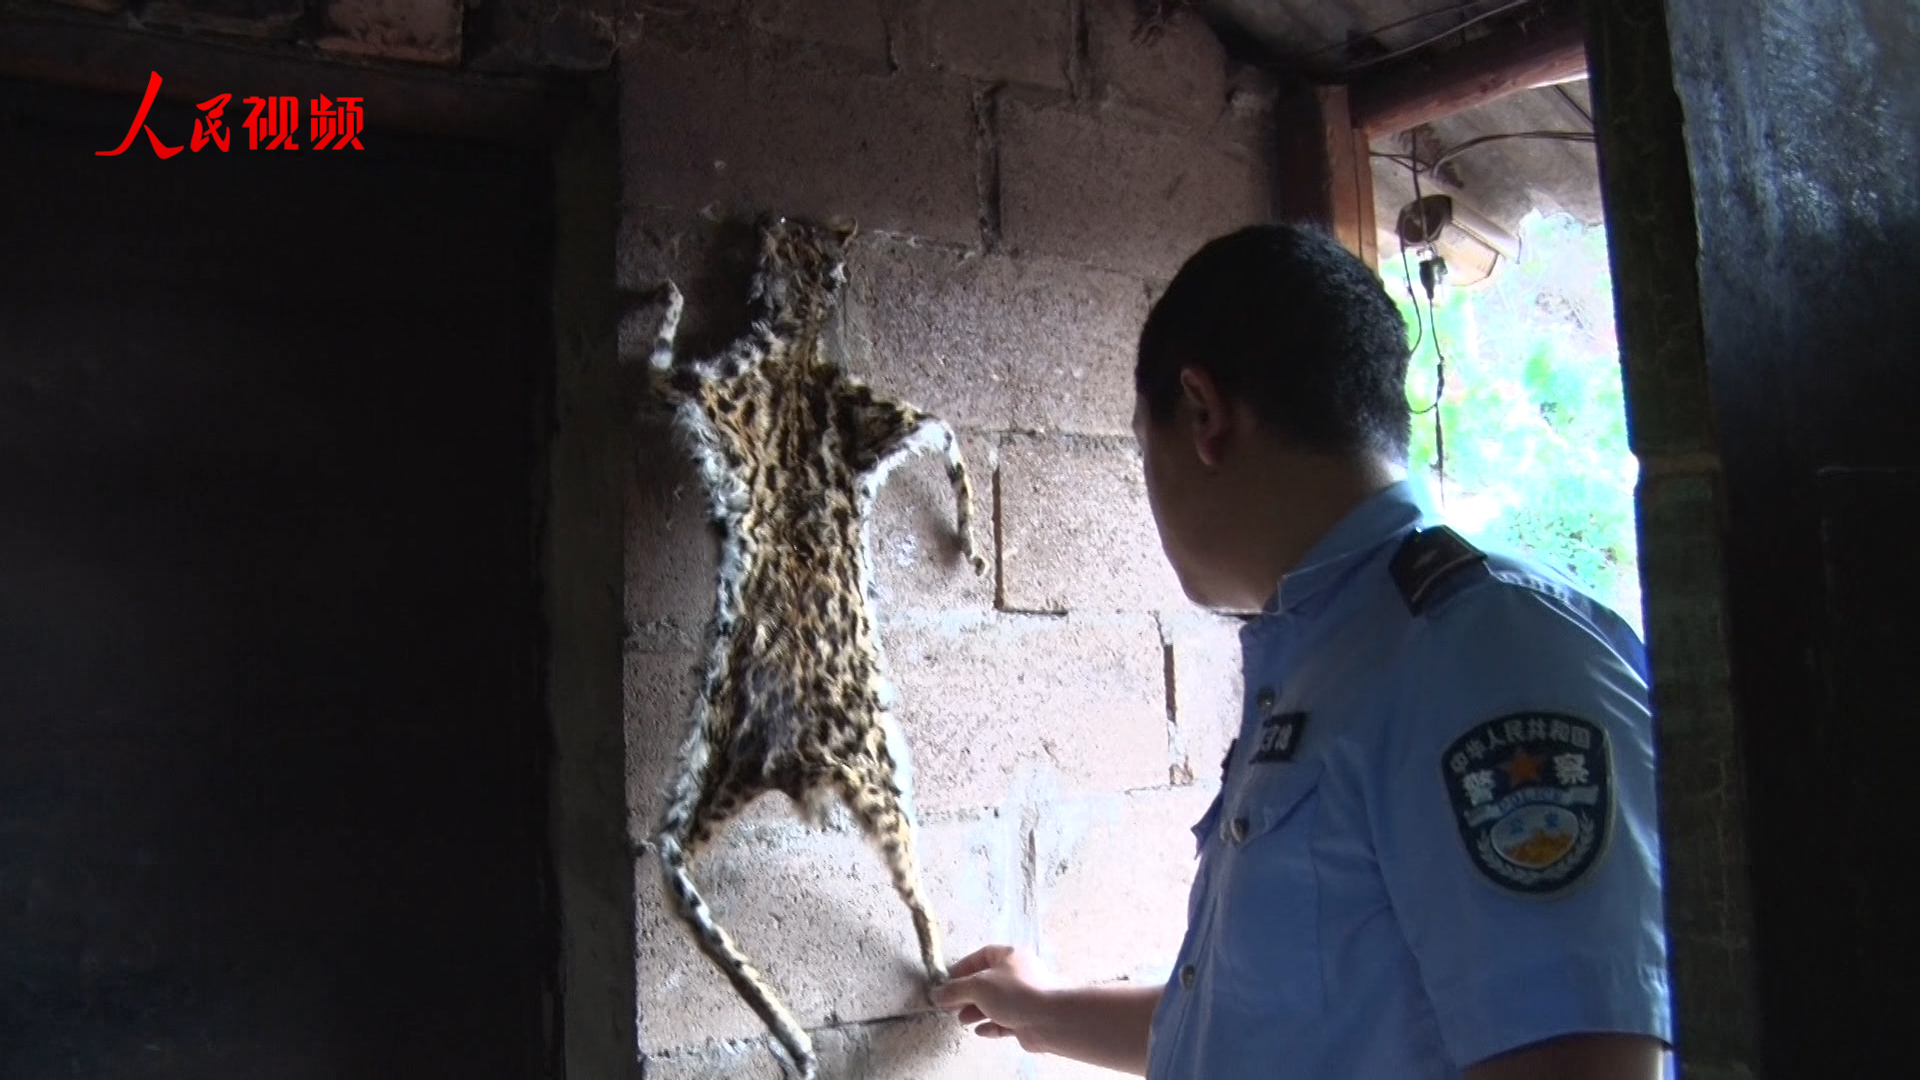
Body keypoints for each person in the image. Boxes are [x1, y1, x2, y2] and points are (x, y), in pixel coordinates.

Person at [929, 223, 1672, 1079]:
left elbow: (1582, 1060)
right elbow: (1270, 1029)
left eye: (1145, 446)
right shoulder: (1336, 655)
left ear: (1204, 414)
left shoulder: (1481, 658)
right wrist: (1046, 1013)